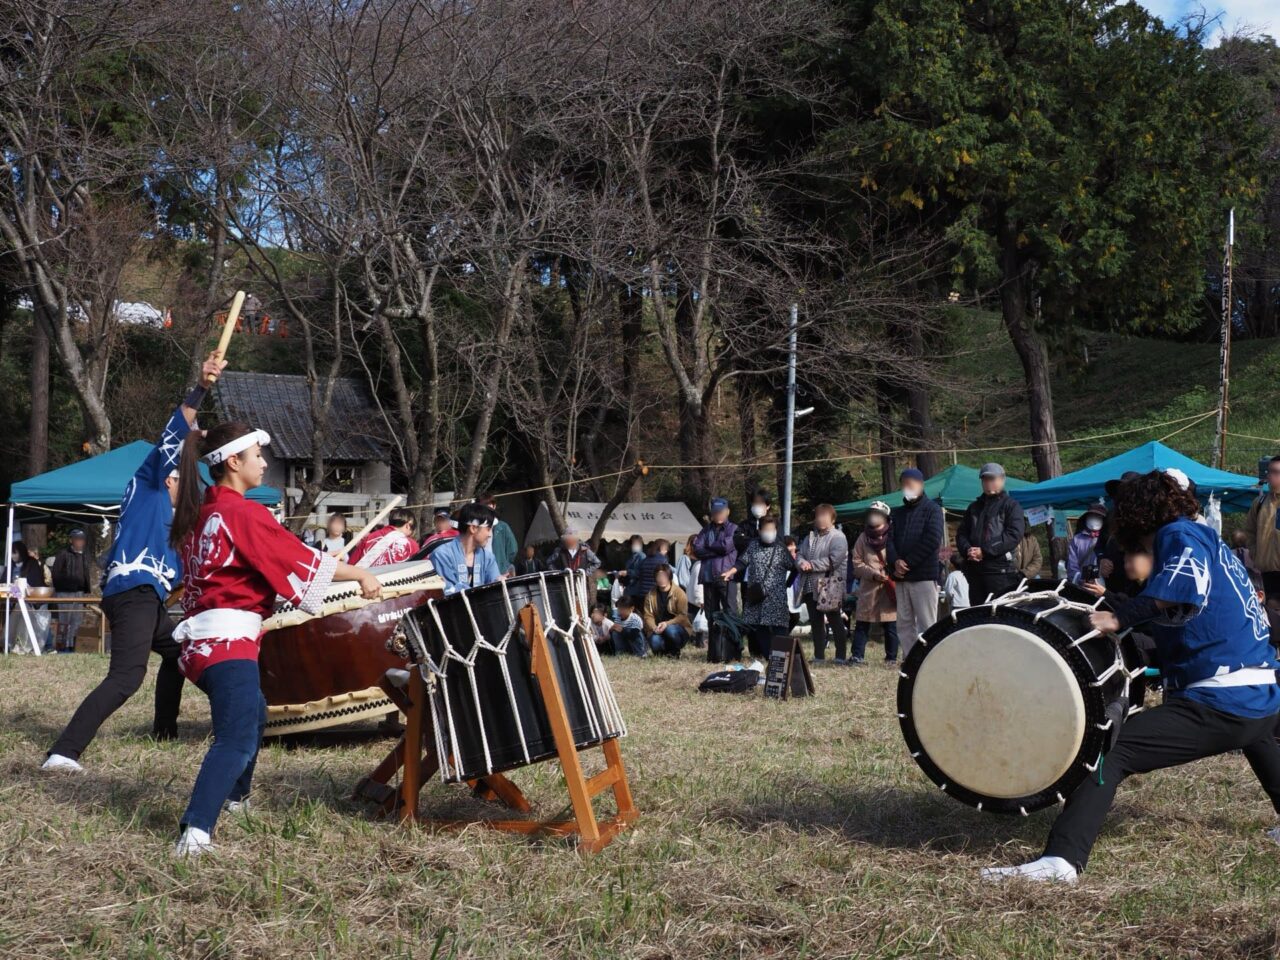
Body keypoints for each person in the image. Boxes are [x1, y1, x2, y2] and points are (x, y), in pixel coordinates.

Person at [983, 470, 1280, 884]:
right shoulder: (1210, 540)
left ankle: (1062, 861)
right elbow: (1186, 618)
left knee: (1111, 748)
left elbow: (1178, 594)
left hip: (1225, 699)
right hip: (1261, 696)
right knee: (1256, 735)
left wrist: (1119, 615)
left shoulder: (1179, 534)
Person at [166, 420, 382, 857]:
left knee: (256, 716)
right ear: (233, 461)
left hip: (206, 642)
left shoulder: (205, 513)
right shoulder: (240, 513)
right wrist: (358, 572)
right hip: (225, 642)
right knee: (238, 735)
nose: (264, 464)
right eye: (257, 457)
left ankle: (235, 799)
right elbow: (294, 557)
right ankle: (195, 832)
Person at [43, 356, 224, 772]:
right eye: (183, 476)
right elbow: (175, 432)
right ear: (170, 477)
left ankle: (163, 731)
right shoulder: (148, 486)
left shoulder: (174, 525)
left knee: (179, 652)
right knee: (126, 677)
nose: (187, 485)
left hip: (145, 600)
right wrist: (201, 387)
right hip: (134, 594)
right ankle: (63, 752)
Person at [887, 468, 945, 657]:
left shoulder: (932, 509)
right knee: (904, 623)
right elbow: (890, 541)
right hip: (901, 578)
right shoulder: (897, 513)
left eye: (912, 483)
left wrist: (908, 563)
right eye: (904, 483)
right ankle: (910, 659)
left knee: (927, 623)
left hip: (924, 575)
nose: (908, 486)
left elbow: (932, 539)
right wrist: (895, 562)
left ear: (921, 484)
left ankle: (931, 658)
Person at [724, 514, 796, 659]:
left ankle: (781, 657)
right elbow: (742, 561)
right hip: (757, 594)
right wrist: (730, 572)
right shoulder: (753, 545)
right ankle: (768, 655)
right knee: (758, 626)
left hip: (776, 596)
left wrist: (787, 585)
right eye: (766, 529)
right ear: (759, 530)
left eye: (772, 529)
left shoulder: (781, 548)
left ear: (776, 530)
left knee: (779, 627)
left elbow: (794, 568)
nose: (769, 532)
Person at [955, 462, 1026, 603]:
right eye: (985, 479)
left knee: (1000, 617)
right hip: (975, 572)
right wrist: (967, 550)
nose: (989, 483)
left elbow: (1013, 535)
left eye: (992, 479)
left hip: (1001, 573)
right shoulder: (973, 507)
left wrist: (985, 551)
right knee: (977, 616)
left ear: (1002, 479)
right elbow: (961, 534)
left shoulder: (1011, 505)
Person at [797, 504, 850, 663]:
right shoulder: (809, 537)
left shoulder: (838, 537)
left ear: (832, 519)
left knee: (834, 620)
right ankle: (819, 655)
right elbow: (799, 554)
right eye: (818, 515)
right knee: (816, 622)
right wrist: (801, 563)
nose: (820, 519)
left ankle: (840, 656)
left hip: (830, 584)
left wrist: (811, 565)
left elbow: (834, 560)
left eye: (824, 516)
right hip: (809, 585)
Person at [850, 502, 900, 664]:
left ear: (886, 517)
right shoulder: (863, 537)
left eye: (877, 513)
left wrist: (889, 572)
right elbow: (856, 562)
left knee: (891, 624)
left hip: (889, 585)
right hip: (868, 587)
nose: (873, 516)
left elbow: (900, 556)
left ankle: (891, 657)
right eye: (871, 513)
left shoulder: (894, 535)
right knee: (863, 623)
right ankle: (857, 655)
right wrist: (872, 573)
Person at [694, 498, 738, 661]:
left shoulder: (733, 529)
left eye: (721, 511)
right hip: (708, 577)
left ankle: (732, 653)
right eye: (715, 512)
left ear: (727, 512)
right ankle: (713, 655)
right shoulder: (705, 530)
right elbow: (697, 550)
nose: (718, 515)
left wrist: (709, 547)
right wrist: (717, 549)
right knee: (711, 616)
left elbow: (727, 546)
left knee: (730, 615)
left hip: (727, 576)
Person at [430, 502, 503, 596]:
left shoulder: (488, 557)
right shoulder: (442, 555)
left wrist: (500, 583)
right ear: (473, 528)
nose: (489, 535)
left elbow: (495, 589)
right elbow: (448, 592)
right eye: (488, 529)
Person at [1244, 455, 1280, 606]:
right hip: (1267, 573)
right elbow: (1250, 532)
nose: (1269, 475)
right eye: (1269, 471)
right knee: (1271, 614)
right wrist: (1254, 553)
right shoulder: (1259, 503)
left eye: (1275, 471)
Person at [50, 527, 93, 652]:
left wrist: (86, 589)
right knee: (64, 620)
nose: (80, 542)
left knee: (77, 619)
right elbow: (56, 574)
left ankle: (73, 645)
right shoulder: (63, 554)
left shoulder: (84, 555)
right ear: (71, 540)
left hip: (79, 592)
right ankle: (62, 646)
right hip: (65, 592)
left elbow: (85, 574)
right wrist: (65, 586)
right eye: (77, 539)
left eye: (82, 540)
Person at [642, 566, 692, 656]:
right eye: (659, 576)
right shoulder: (650, 595)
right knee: (654, 641)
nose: (661, 579)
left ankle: (675, 652)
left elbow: (683, 616)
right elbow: (648, 615)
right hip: (658, 628)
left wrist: (667, 624)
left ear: (669, 577)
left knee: (670, 630)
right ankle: (664, 653)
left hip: (677, 628)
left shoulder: (679, 593)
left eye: (664, 576)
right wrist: (654, 627)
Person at [348, 509, 418, 568]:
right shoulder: (411, 544)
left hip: (366, 581)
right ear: (408, 525)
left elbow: (351, 565)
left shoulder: (369, 537)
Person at [1066, 503, 1108, 585]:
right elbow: (1071, 567)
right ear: (1086, 518)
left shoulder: (1109, 539)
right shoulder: (1076, 540)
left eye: (1098, 517)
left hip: (1106, 588)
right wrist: (1083, 580)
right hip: (1083, 588)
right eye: (1092, 516)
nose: (1095, 519)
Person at [477, 493, 518, 576]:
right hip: (481, 571)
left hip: (501, 571)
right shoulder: (476, 527)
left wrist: (505, 565)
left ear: (494, 506)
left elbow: (513, 549)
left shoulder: (502, 526)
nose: (485, 508)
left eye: (488, 505)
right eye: (482, 506)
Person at [733, 488, 773, 555]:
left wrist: (749, 540)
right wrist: (759, 541)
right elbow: (738, 541)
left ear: (767, 506)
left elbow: (777, 542)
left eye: (760, 503)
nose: (757, 506)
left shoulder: (774, 524)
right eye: (755, 503)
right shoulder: (744, 525)